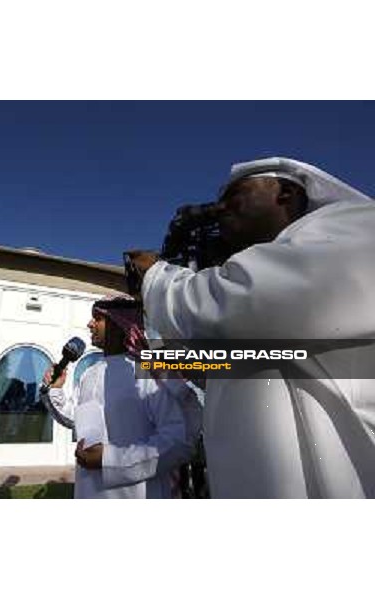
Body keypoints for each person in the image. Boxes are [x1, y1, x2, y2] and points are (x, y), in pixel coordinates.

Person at [128, 157, 375, 498]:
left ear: (285, 193)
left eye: (235, 196)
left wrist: (155, 275)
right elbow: (219, 366)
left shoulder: (352, 228)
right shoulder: (271, 281)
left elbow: (238, 299)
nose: (221, 209)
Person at [41, 294, 201, 499]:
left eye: (98, 318)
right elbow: (77, 418)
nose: (89, 324)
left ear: (119, 323)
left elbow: (178, 441)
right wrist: (55, 390)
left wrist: (110, 460)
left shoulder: (148, 371)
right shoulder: (90, 374)